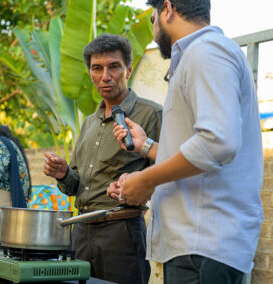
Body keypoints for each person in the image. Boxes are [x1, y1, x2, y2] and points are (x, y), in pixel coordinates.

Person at [107, 1, 264, 283]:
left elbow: (217, 142)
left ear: (167, 8)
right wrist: (147, 146)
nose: (154, 30)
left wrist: (145, 180)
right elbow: (203, 149)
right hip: (197, 245)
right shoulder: (204, 53)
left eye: (153, 18)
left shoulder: (206, 51)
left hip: (203, 246)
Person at [43, 33, 162, 284]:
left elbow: (168, 173)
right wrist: (63, 173)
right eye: (97, 68)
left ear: (128, 69)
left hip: (121, 232)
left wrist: (135, 184)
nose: (105, 76)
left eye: (114, 67)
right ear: (90, 74)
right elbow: (76, 187)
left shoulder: (151, 114)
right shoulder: (88, 123)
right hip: (81, 232)